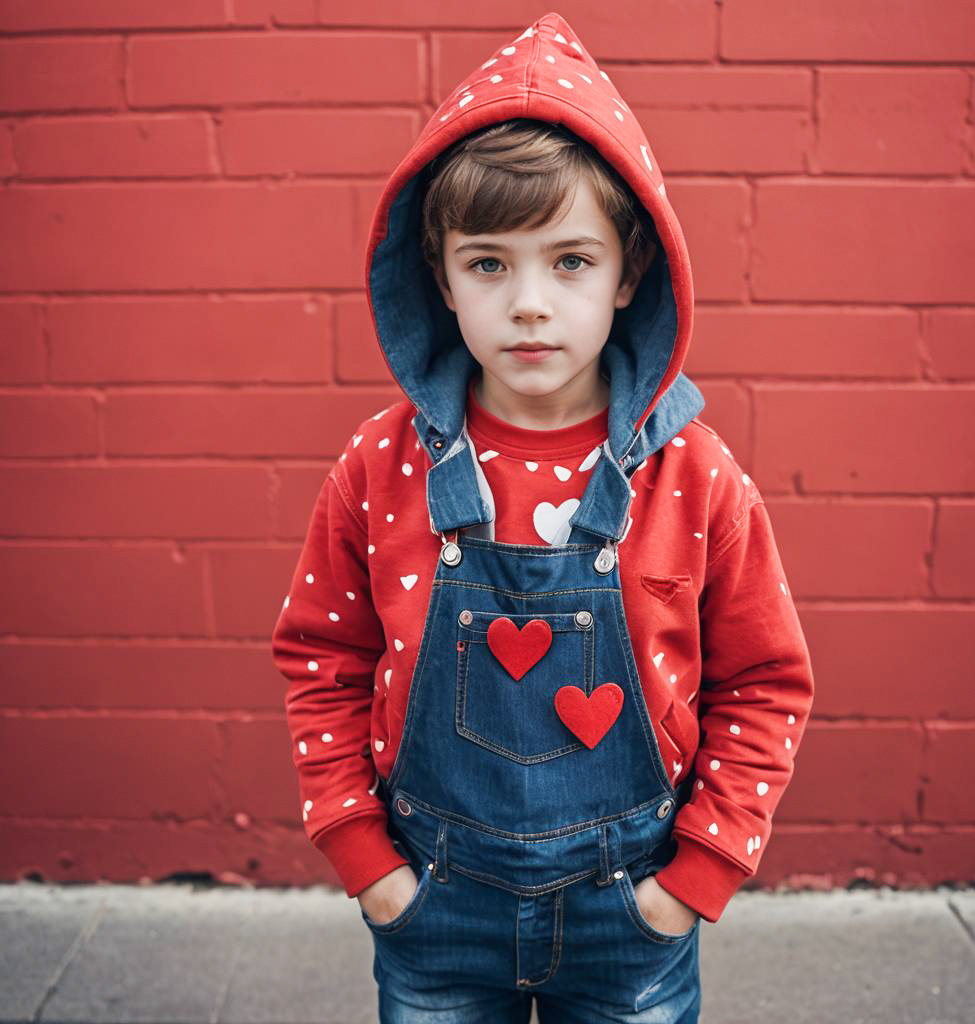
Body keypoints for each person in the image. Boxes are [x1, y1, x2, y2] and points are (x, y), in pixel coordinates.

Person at [271, 10, 815, 1022]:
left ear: (628, 275)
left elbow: (765, 682)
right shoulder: (376, 468)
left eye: (569, 261)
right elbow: (320, 661)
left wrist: (691, 879)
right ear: (438, 277)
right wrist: (365, 860)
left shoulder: (693, 477)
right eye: (489, 264)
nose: (529, 302)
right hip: (432, 906)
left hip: (631, 915)